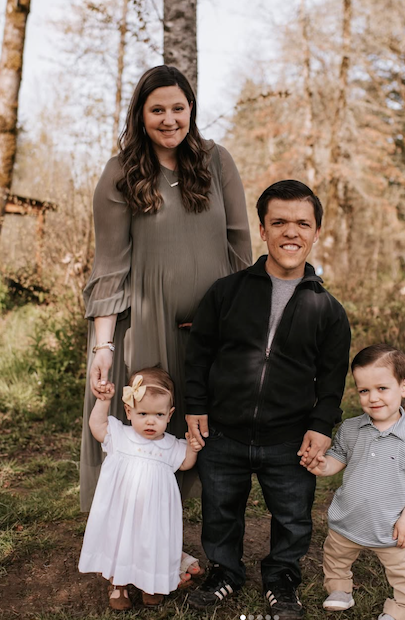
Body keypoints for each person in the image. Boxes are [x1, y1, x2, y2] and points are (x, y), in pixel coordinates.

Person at [80, 65, 252, 570]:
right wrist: (104, 347)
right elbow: (109, 266)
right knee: (144, 435)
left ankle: (177, 541)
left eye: (178, 108)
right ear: (141, 114)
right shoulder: (120, 173)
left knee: (199, 435)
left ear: (191, 109)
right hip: (145, 327)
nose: (169, 119)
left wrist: (228, 319)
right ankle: (131, 552)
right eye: (157, 109)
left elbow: (239, 247)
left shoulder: (216, 161)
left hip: (210, 329)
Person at [184, 180, 351, 620]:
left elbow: (332, 380)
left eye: (302, 224)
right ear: (262, 229)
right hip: (224, 432)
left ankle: (281, 577)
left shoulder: (328, 309)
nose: (290, 232)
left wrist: (320, 426)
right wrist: (196, 405)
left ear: (316, 232)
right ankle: (224, 571)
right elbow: (199, 353)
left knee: (293, 516)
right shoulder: (227, 292)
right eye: (279, 222)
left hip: (289, 438)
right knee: (220, 511)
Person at [305, 344, 405, 620]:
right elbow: (338, 457)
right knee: (335, 557)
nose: (373, 398)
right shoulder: (351, 428)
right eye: (364, 390)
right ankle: (339, 589)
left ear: (404, 386)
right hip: (348, 518)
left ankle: (401, 610)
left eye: (382, 388)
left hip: (390, 527)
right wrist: (323, 466)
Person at [78, 367, 201, 610]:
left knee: (151, 544)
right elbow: (96, 426)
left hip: (153, 515)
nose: (150, 421)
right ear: (129, 411)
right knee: (119, 542)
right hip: (122, 511)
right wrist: (103, 401)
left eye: (158, 414)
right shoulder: (120, 435)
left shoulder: (170, 445)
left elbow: (185, 463)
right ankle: (118, 584)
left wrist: (193, 448)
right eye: (142, 413)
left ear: (169, 415)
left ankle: (150, 583)